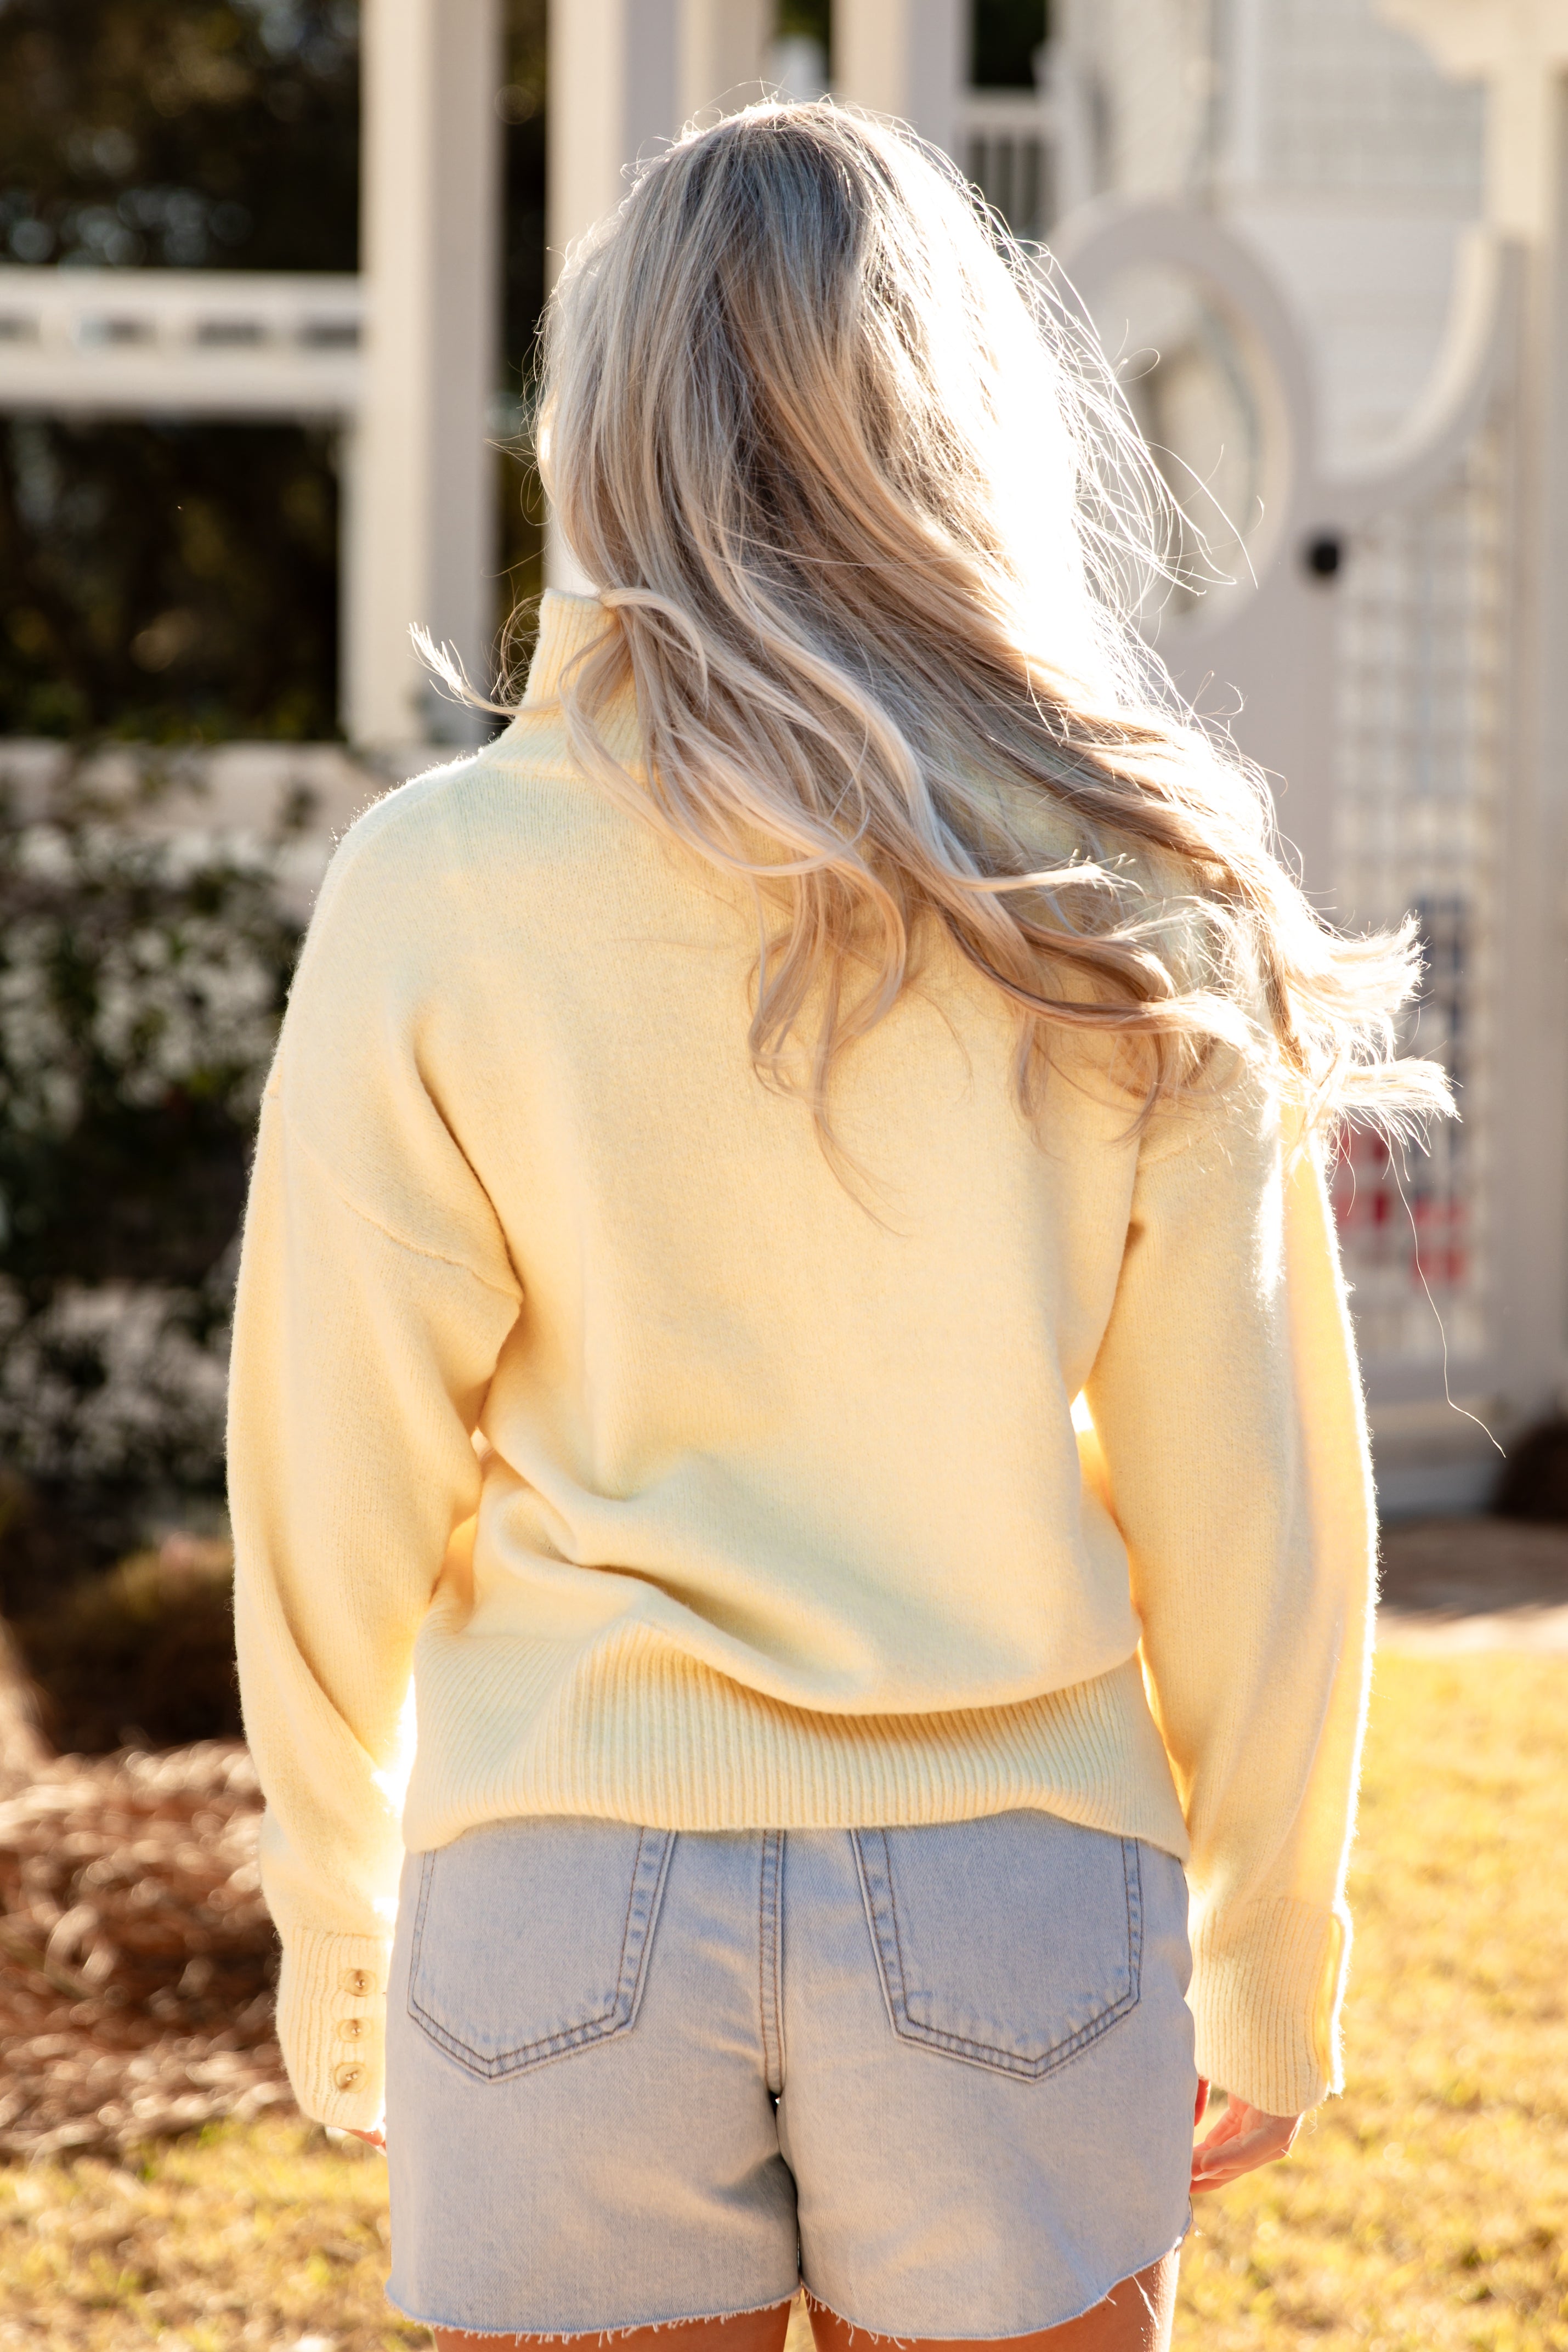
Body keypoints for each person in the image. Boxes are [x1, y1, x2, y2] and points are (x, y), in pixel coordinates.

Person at [229, 103, 1447, 2352]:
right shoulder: (1131, 888)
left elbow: (333, 1456)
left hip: (551, 1889)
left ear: (595, 421)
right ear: (950, 414)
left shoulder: (442, 881)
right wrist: (1271, 1932)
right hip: (1021, 1890)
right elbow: (1247, 1489)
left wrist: (335, 1905)